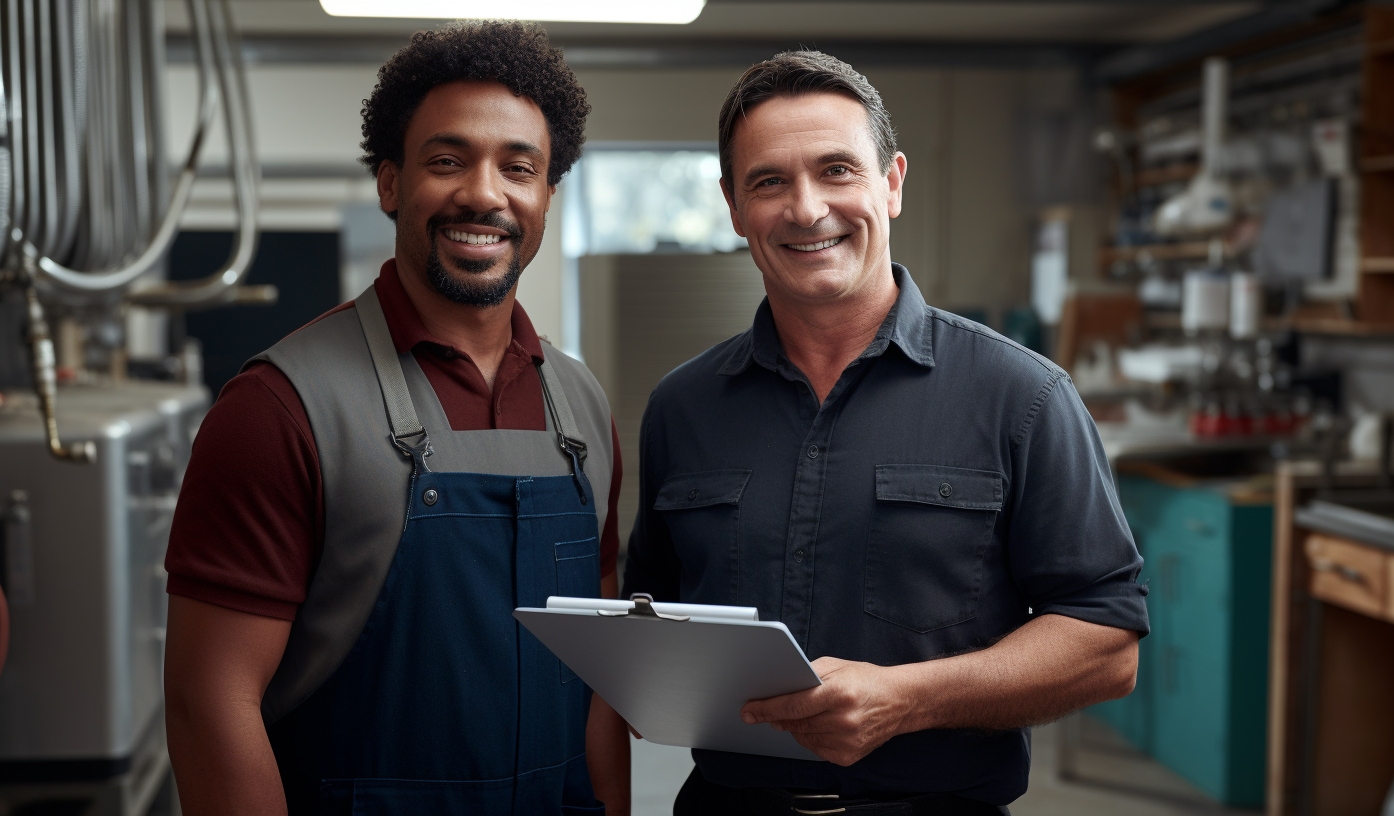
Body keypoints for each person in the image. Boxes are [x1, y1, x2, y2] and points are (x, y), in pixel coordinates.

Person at [622, 50, 1148, 815]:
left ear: (892, 183)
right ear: (734, 207)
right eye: (770, 180)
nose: (806, 209)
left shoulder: (1023, 396)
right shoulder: (682, 406)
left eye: (837, 170)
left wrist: (911, 697)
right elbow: (656, 616)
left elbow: (1107, 645)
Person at [163, 22, 629, 816]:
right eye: (447, 161)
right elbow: (211, 704)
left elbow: (601, 682)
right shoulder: (280, 408)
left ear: (547, 197)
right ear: (390, 185)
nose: (485, 193)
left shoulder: (581, 406)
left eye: (519, 168)